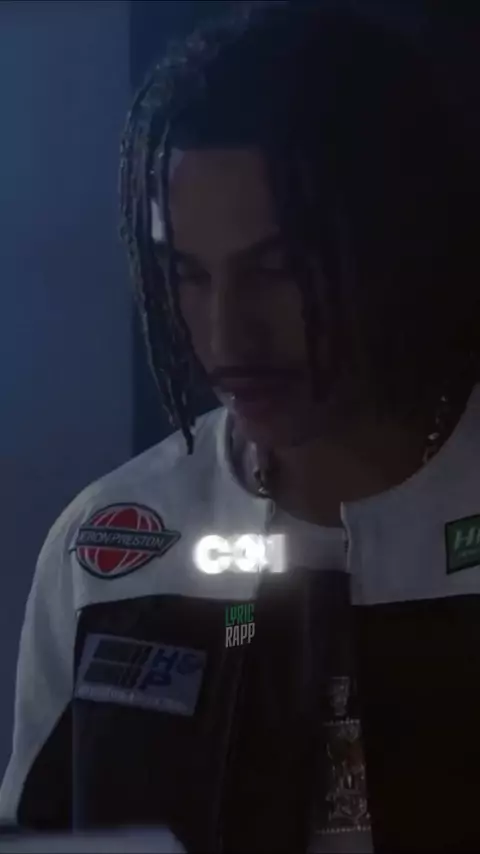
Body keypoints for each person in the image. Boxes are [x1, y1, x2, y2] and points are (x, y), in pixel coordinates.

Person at [1, 2, 479, 852]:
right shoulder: (106, 546)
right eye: (187, 274)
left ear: (398, 244)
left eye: (281, 271)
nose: (227, 339)